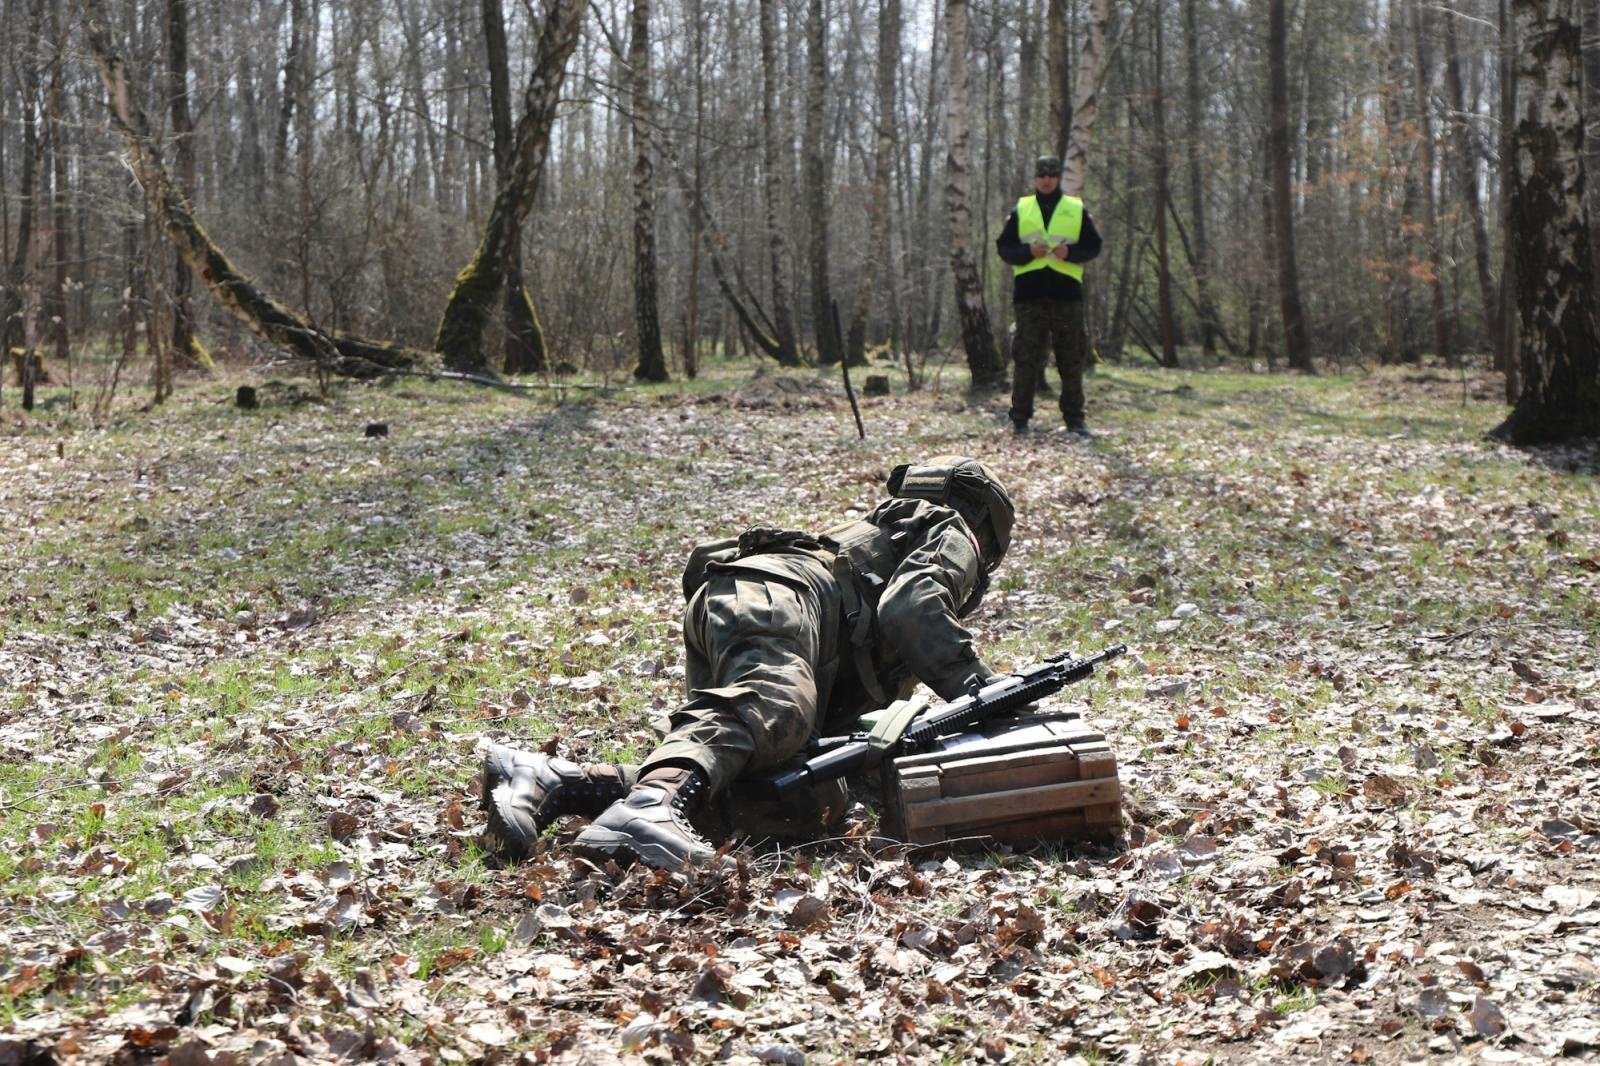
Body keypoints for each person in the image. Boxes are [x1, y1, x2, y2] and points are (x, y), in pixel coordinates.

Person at [480, 456, 1015, 870]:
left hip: (752, 600)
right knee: (773, 705)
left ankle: (558, 780)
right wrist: (989, 699)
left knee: (801, 793)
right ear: (988, 531)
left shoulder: (894, 535)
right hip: (778, 599)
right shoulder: (950, 530)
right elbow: (913, 608)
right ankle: (649, 808)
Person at [995, 154, 1103, 436]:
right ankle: (1020, 419)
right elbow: (1004, 248)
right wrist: (1027, 253)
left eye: (1051, 175)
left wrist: (1072, 253)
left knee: (1070, 358)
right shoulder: (1023, 208)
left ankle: (1075, 420)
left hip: (1067, 295)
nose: (1046, 180)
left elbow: (1094, 246)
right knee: (1026, 358)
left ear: (1057, 178)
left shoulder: (1075, 208)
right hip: (1029, 296)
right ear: (1035, 178)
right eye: (1041, 175)